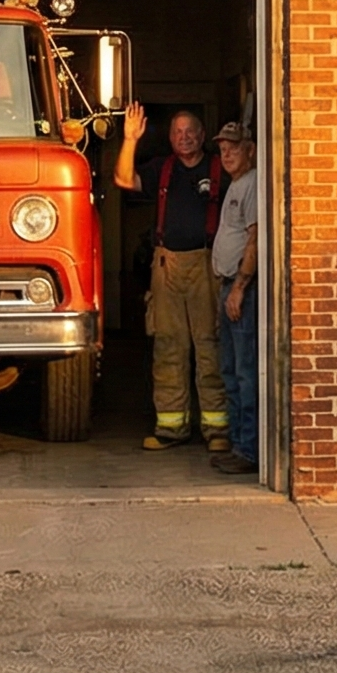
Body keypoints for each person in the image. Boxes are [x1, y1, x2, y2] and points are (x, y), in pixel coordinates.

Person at [115, 104, 229, 452]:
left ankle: (217, 430)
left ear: (202, 134)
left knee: (210, 346)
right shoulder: (161, 170)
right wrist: (129, 139)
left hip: (207, 265)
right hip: (166, 266)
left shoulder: (220, 169)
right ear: (170, 138)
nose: (185, 137)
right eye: (178, 132)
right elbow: (123, 179)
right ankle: (171, 428)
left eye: (190, 131)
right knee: (168, 347)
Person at [209, 121, 261, 476]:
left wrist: (241, 286)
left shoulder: (253, 184)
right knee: (230, 370)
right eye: (222, 148)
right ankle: (238, 444)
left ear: (250, 149)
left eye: (234, 147)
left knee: (245, 372)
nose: (226, 153)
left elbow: (255, 239)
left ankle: (249, 450)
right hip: (227, 285)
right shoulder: (235, 185)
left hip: (241, 290)